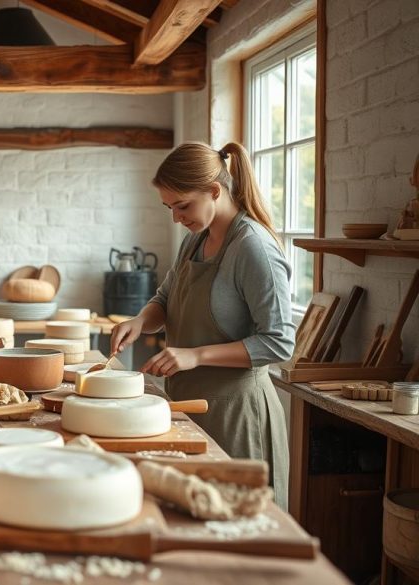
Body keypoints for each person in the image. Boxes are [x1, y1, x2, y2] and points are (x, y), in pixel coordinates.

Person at [111, 142, 294, 508]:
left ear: (215, 190)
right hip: (189, 406)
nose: (177, 218)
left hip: (238, 417)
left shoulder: (253, 248)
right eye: (169, 208)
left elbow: (279, 343)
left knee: (239, 534)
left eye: (183, 205)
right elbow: (164, 299)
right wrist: (140, 321)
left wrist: (196, 355)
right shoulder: (194, 240)